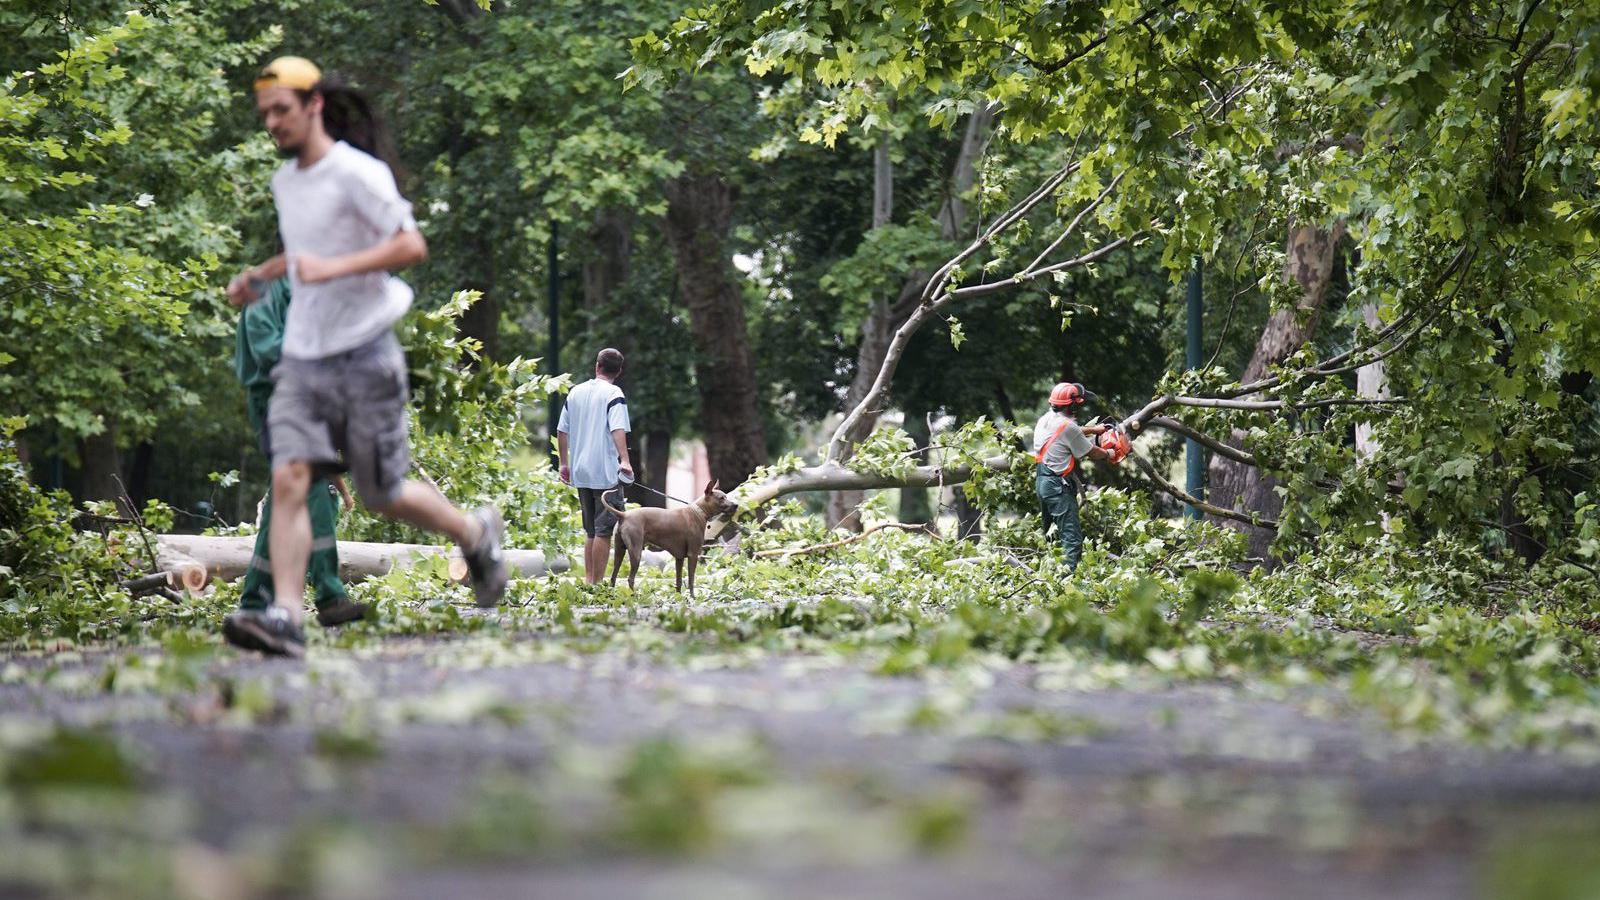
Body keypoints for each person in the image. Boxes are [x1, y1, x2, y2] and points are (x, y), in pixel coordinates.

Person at [223, 56, 507, 657]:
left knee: (382, 492)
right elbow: (305, 254)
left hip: (365, 351)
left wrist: (336, 268)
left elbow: (411, 244)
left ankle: (473, 533)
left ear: (314, 105)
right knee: (291, 477)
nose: (272, 123)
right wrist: (264, 276)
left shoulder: (358, 173)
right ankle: (285, 617)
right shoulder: (286, 182)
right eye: (265, 114)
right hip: (303, 355)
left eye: (282, 110)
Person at [223, 278, 366, 651]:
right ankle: (329, 596)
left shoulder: (306, 291)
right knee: (314, 493)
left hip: (300, 403)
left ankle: (256, 600)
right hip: (276, 404)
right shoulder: (265, 296)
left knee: (292, 500)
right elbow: (275, 354)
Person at [556, 348, 634, 584]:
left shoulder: (575, 392)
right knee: (603, 532)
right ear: (618, 371)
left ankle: (589, 582)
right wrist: (625, 460)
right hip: (605, 474)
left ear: (597, 366)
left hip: (581, 471)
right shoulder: (614, 393)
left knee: (590, 531)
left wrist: (563, 463)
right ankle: (596, 585)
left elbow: (562, 430)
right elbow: (617, 428)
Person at [1033, 382, 1116, 570]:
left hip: (1042, 482)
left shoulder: (1045, 419)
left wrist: (1095, 430)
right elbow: (1092, 452)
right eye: (1077, 404)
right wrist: (1109, 454)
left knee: (1050, 534)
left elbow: (1069, 432)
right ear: (1071, 405)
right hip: (1057, 486)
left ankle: (1047, 573)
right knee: (1072, 539)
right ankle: (1067, 585)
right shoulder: (1068, 427)